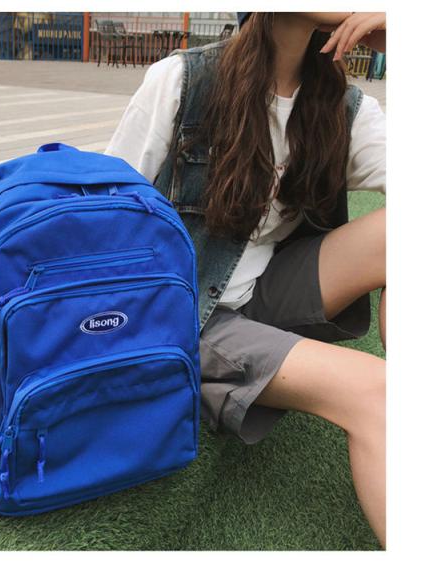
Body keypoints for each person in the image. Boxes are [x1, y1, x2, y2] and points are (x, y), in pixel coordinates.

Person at [105, 12, 386, 546]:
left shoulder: (343, 106)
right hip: (186, 317)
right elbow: (103, 220)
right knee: (379, 392)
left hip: (264, 289)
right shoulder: (183, 81)